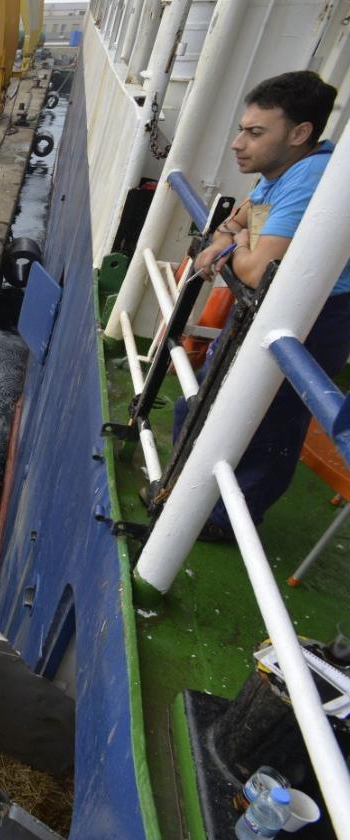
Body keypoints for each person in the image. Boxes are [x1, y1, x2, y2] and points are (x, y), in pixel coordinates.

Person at [175, 70, 350, 541]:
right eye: (241, 130)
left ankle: (226, 521)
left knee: (271, 424)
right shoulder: (282, 173)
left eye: (255, 133)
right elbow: (230, 228)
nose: (237, 143)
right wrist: (240, 238)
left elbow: (255, 269)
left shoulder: (310, 179)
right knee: (206, 403)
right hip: (267, 309)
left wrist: (238, 244)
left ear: (299, 134)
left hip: (313, 318)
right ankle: (189, 493)